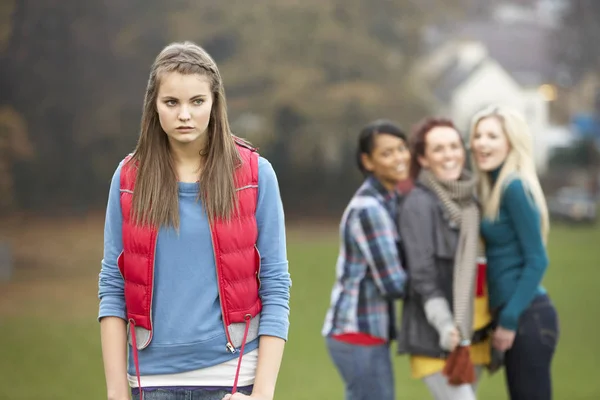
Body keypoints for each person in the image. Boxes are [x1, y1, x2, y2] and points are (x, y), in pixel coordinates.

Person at [98, 41, 291, 400]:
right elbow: (113, 285)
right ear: (153, 106)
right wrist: (116, 392)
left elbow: (276, 284)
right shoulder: (127, 180)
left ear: (215, 103)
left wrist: (262, 395)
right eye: (171, 102)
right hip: (151, 382)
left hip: (234, 381)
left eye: (197, 102)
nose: (184, 114)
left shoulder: (254, 175)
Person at [397, 117, 492, 400]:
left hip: (475, 332)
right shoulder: (418, 203)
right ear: (423, 159)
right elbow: (421, 274)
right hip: (440, 334)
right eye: (438, 149)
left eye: (454, 146)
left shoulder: (471, 201)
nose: (449, 155)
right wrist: (444, 323)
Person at [470, 105, 559, 400]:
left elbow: (537, 259)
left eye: (492, 136)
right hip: (515, 315)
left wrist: (508, 320)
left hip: (527, 317)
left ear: (512, 142)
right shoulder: (493, 186)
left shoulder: (514, 187)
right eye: (478, 135)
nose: (482, 143)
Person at [322, 120, 410, 400]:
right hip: (358, 333)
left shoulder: (390, 199)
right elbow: (394, 283)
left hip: (368, 333)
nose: (399, 158)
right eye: (387, 153)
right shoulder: (369, 208)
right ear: (368, 161)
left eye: (401, 148)